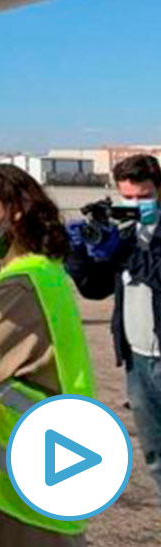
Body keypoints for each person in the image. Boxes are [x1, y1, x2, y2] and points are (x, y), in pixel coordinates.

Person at [0, 164, 96, 546]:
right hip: (44, 476)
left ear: (16, 207)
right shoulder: (41, 274)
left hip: (14, 493)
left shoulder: (19, 288)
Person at [66, 153, 161, 503]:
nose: (135, 204)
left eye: (144, 195)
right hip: (137, 360)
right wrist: (79, 253)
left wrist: (126, 252)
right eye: (128, 197)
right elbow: (95, 288)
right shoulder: (123, 233)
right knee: (155, 455)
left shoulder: (141, 240)